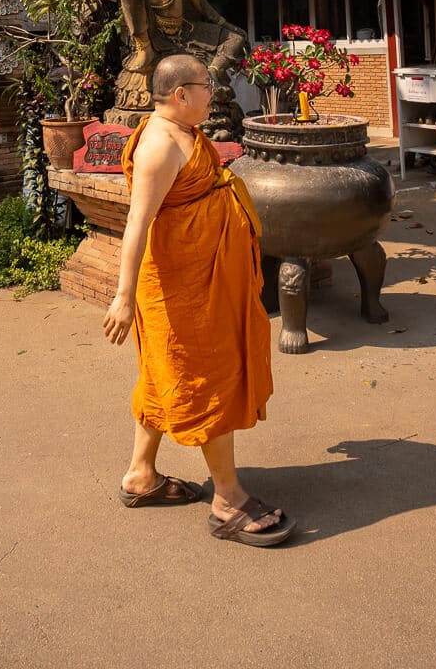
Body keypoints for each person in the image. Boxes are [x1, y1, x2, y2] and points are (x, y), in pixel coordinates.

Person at [102, 52, 294, 546]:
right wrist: (122, 297)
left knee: (165, 374)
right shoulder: (160, 147)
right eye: (207, 85)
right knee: (203, 376)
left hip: (201, 277)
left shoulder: (183, 132)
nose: (214, 92)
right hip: (181, 287)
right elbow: (136, 224)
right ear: (181, 94)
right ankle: (227, 499)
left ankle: (140, 475)